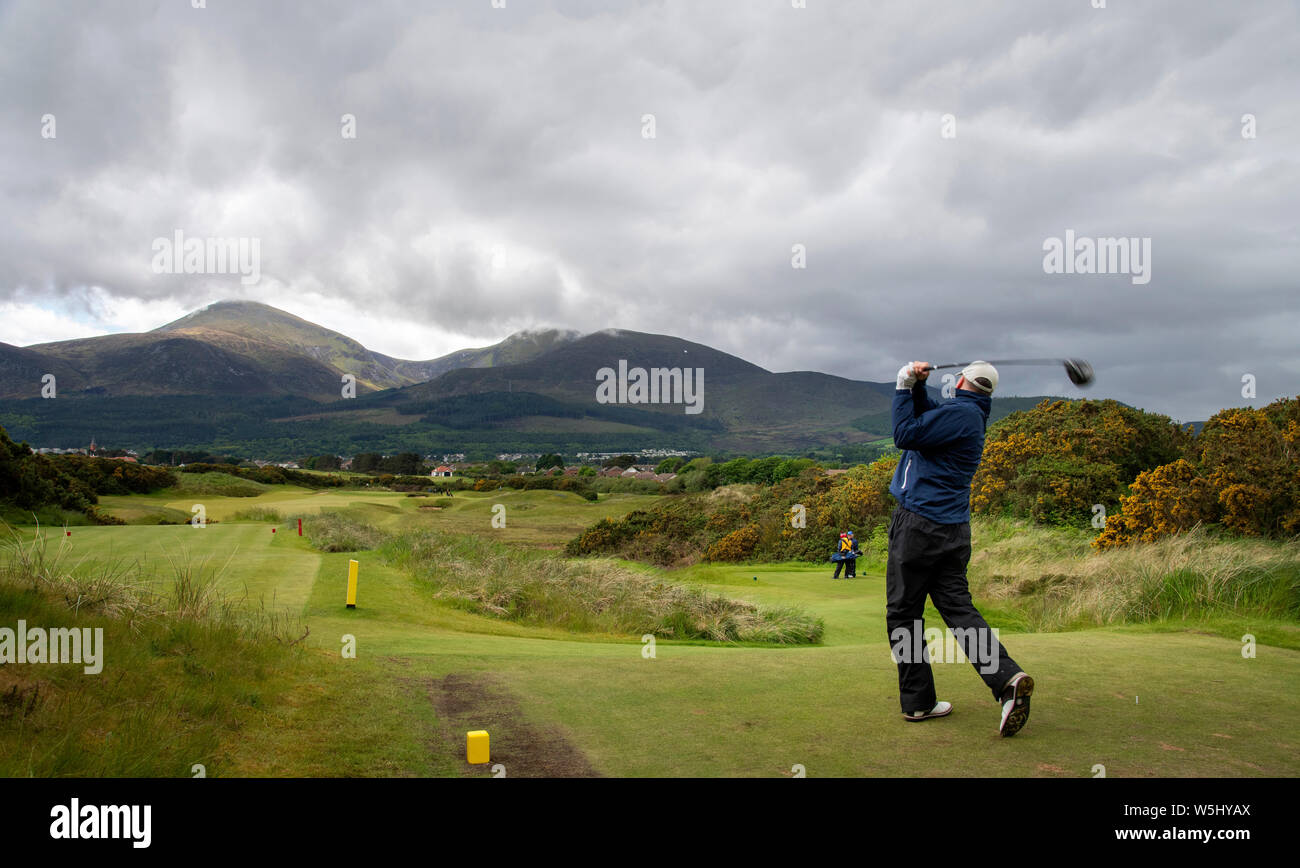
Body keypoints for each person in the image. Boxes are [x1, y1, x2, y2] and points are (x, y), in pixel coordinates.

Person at [886, 360, 1034, 736]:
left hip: (919, 526)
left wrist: (903, 385)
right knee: (957, 609)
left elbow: (904, 433)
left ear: (964, 379)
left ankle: (918, 703)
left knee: (903, 615)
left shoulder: (961, 415)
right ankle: (1006, 679)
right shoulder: (966, 414)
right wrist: (919, 388)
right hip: (951, 531)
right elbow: (930, 416)